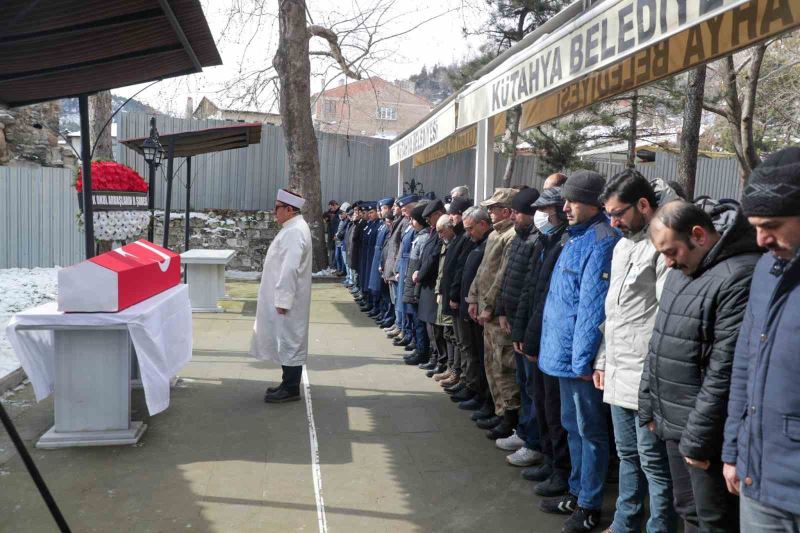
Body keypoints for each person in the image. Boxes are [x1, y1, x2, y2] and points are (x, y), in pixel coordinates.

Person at [640, 200, 760, 532]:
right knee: (688, 511)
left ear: (698, 235)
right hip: (675, 421)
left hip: (704, 432)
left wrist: (698, 440)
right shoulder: (685, 268)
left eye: (671, 251)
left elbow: (725, 369)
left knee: (713, 520)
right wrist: (648, 402)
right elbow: (660, 340)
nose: (667, 261)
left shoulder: (739, 275)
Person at [593, 170, 678, 533]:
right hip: (617, 370)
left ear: (643, 205)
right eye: (608, 214)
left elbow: (667, 317)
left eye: (618, 213)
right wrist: (602, 359)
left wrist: (653, 380)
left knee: (654, 464)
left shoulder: (663, 245)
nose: (613, 221)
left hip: (646, 376)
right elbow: (613, 313)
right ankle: (625, 521)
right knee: (627, 455)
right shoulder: (622, 243)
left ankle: (659, 527)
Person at [722, 147, 800, 532]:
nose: (761, 239)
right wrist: (734, 451)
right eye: (754, 226)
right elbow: (746, 361)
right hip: (760, 483)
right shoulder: (767, 269)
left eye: (771, 224)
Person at [538, 171, 620, 532]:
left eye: (572, 202)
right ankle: (576, 490)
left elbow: (591, 310)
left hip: (578, 360)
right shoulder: (576, 238)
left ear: (594, 203)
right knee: (572, 427)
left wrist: (584, 360)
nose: (565, 208)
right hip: (562, 354)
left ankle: (589, 504)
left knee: (590, 431)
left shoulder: (602, 241)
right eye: (564, 201)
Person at [513, 187, 571, 496]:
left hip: (551, 343)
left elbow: (548, 299)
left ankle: (560, 469)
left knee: (555, 411)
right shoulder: (546, 243)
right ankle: (550, 462)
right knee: (545, 405)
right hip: (538, 338)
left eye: (546, 210)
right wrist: (522, 333)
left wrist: (530, 338)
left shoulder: (563, 244)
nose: (541, 215)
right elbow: (531, 291)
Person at [495, 187, 543, 468]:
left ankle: (533, 441)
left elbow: (529, 287)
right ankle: (524, 433)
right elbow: (509, 280)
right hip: (516, 321)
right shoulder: (522, 240)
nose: (513, 217)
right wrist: (503, 310)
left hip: (526, 325)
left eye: (518, 212)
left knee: (531, 387)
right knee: (524, 384)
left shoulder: (537, 241)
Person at [467, 188, 520, 440]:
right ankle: (499, 411)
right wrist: (473, 297)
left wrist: (489, 305)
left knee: (503, 366)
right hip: (485, 311)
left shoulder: (510, 236)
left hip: (496, 315)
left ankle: (509, 417)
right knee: (491, 363)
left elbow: (502, 276)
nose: (490, 212)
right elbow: (482, 271)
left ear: (507, 210)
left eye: (494, 208)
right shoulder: (493, 236)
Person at [251, 189, 313, 403]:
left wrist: (283, 300)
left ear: (289, 209)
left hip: (290, 298)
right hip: (289, 295)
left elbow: (289, 268)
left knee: (289, 339)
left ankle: (291, 387)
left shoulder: (294, 231)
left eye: (277, 208)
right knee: (287, 338)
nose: (274, 212)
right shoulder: (293, 228)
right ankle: (287, 383)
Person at [459, 206, 494, 418]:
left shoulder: (491, 242)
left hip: (485, 312)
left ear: (483, 224)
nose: (468, 233)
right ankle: (479, 394)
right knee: (475, 354)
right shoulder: (477, 243)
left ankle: (487, 401)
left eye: (471, 228)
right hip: (473, 308)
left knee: (484, 359)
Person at [436, 196, 472, 388]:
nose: (451, 218)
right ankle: (455, 371)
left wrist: (453, 295)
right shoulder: (458, 237)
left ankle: (464, 379)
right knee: (454, 337)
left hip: (458, 299)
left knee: (464, 343)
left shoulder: (465, 238)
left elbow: (460, 270)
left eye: (454, 214)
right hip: (451, 296)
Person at [416, 199, 447, 373]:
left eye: (430, 218)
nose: (428, 222)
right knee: (430, 326)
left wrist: (419, 274)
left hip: (432, 284)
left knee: (436, 328)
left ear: (438, 214)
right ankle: (435, 357)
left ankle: (440, 360)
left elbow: (433, 259)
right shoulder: (432, 232)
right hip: (428, 285)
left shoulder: (440, 234)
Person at [403, 202, 432, 365]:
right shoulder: (419, 236)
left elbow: (418, 265)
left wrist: (414, 289)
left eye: (413, 219)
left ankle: (422, 350)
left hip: (417, 285)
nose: (411, 222)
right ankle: (418, 346)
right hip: (412, 283)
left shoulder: (423, 238)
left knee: (420, 322)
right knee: (415, 320)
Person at [323, 200, 340, 268]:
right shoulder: (330, 212)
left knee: (336, 252)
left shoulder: (339, 212)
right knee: (332, 250)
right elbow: (325, 217)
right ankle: (333, 265)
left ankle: (334, 265)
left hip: (336, 234)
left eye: (332, 207)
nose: (331, 209)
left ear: (335, 205)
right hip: (331, 233)